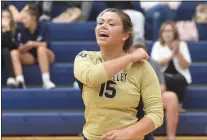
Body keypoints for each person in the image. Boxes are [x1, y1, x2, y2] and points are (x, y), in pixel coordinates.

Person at [74, 8, 164, 140]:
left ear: (124, 35)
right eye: (100, 23)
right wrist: (130, 58)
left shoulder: (142, 67)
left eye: (111, 24)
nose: (103, 26)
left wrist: (128, 133)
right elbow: (92, 77)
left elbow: (156, 114)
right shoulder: (85, 57)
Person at [131, 38, 179, 140]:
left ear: (145, 49)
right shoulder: (126, 61)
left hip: (151, 95)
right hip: (131, 95)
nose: (138, 50)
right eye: (136, 47)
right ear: (131, 48)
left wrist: (149, 94)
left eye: (141, 47)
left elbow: (162, 86)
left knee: (171, 97)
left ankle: (171, 137)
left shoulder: (154, 63)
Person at [10, 4, 55, 89]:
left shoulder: (43, 26)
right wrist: (25, 46)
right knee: (14, 53)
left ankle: (46, 81)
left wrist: (32, 43)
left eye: (25, 18)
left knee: (41, 49)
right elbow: (19, 48)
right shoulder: (21, 29)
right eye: (22, 19)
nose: (23, 21)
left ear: (33, 18)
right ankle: (20, 81)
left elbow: (46, 44)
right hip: (30, 56)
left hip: (47, 55)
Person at [151, 20, 192, 110]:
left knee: (179, 79)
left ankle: (179, 104)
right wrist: (172, 54)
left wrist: (178, 53)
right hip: (163, 74)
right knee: (164, 79)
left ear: (174, 33)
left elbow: (185, 66)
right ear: (161, 33)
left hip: (179, 75)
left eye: (169, 31)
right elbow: (156, 64)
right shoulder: (157, 45)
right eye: (164, 31)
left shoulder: (182, 45)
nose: (167, 33)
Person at [2, 8, 17, 88]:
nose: (5, 19)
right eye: (3, 17)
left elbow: (12, 46)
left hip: (8, 57)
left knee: (5, 51)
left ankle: (11, 78)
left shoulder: (15, 29)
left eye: (8, 17)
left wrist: (7, 30)